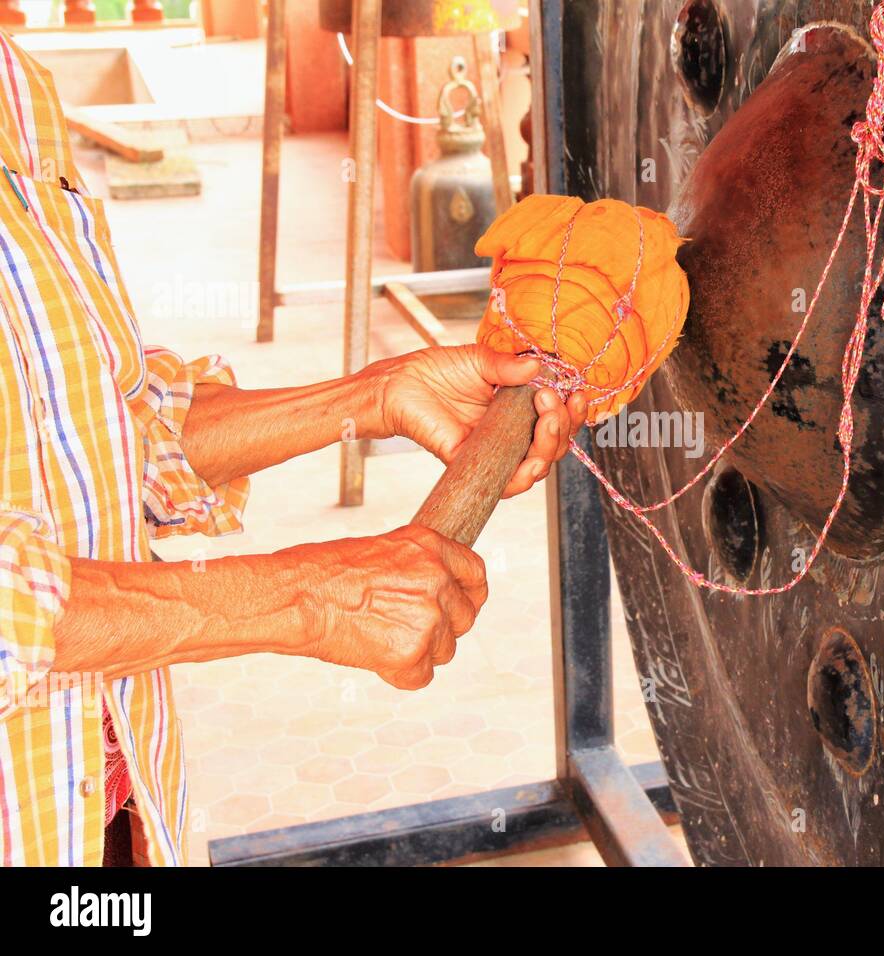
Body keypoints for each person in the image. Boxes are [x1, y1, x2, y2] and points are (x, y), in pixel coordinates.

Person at [0, 31, 585, 866]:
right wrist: (308, 596)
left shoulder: (17, 89)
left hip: (102, 810)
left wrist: (373, 396)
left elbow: (101, 432)